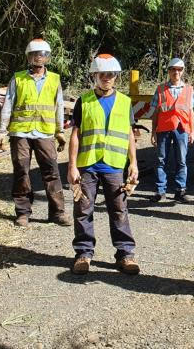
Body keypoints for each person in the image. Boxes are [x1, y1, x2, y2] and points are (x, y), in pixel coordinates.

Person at [67, 53, 139, 275]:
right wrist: (71, 166)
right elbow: (75, 134)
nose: (106, 78)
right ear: (95, 75)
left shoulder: (125, 102)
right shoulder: (84, 100)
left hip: (115, 166)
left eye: (111, 74)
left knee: (119, 210)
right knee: (83, 210)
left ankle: (125, 255)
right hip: (88, 166)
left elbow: (129, 134)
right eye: (102, 74)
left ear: (116, 76)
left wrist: (133, 163)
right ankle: (83, 254)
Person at [0, 38, 69, 228]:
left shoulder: (54, 79)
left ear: (47, 58)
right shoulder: (18, 78)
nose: (39, 58)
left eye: (42, 55)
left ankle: (57, 212)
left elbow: (59, 106)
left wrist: (60, 131)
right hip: (20, 133)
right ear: (29, 57)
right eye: (35, 55)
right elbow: (8, 105)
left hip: (45, 133)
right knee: (21, 171)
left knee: (52, 172)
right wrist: (2, 131)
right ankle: (22, 212)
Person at [150, 57, 194, 203]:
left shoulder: (189, 90)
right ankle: (160, 191)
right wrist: (153, 132)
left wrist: (192, 131)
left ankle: (180, 191)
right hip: (163, 129)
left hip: (182, 129)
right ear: (169, 71)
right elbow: (155, 112)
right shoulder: (160, 89)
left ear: (182, 71)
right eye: (173, 69)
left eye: (179, 69)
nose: (176, 72)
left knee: (181, 161)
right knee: (160, 161)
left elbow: (191, 112)